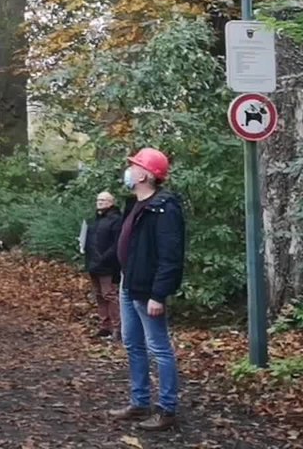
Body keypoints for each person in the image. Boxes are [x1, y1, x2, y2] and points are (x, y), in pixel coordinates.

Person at [108, 148, 185, 432]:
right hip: (129, 284)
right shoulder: (136, 205)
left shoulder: (164, 208)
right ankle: (139, 402)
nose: (129, 170)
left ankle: (167, 409)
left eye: (134, 166)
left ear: (145, 175)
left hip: (147, 290)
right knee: (132, 343)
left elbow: (170, 256)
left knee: (159, 348)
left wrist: (158, 294)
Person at [85, 191, 123, 339]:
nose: (100, 202)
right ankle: (105, 326)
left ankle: (117, 328)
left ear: (111, 202)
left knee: (109, 295)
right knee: (99, 295)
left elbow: (117, 244)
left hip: (108, 265)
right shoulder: (95, 220)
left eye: (104, 200)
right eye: (98, 200)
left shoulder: (116, 220)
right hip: (93, 264)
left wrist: (104, 258)